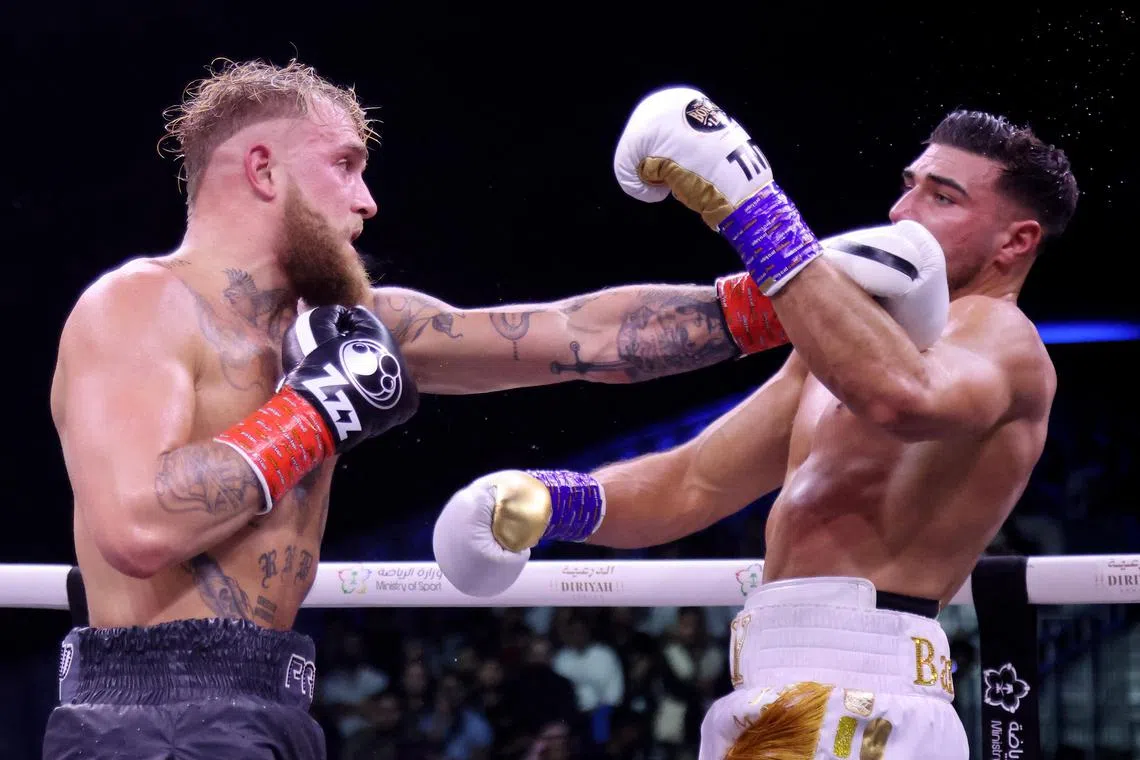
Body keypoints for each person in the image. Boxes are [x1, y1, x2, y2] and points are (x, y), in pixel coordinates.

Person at [44, 63, 802, 760]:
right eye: (344, 164)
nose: (367, 201)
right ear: (263, 169)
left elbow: (583, 335)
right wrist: (316, 408)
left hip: (274, 703)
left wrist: (800, 295)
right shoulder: (141, 307)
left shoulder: (350, 325)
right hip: (149, 717)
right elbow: (137, 527)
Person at [432, 86, 1078, 759]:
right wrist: (549, 502)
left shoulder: (1006, 341)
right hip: (765, 688)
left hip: (864, 700)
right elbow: (693, 483)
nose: (902, 211)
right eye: (909, 186)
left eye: (942, 197)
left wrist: (750, 204)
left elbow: (904, 398)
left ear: (1017, 241)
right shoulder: (843, 348)